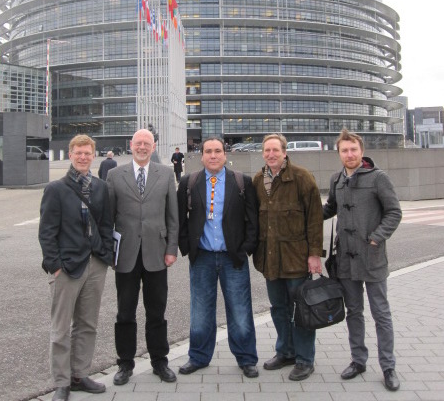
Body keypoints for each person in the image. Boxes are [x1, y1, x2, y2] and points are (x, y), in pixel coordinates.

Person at [323, 128, 402, 392]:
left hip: (372, 256)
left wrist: (376, 237)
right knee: (353, 312)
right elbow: (330, 208)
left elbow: (394, 212)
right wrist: (306, 213)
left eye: (353, 149)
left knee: (381, 313)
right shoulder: (336, 179)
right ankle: (358, 361)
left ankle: (388, 366)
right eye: (344, 150)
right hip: (345, 258)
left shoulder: (379, 178)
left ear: (362, 151)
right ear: (339, 154)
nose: (349, 154)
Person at [38, 134, 114, 401]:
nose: (83, 157)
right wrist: (55, 266)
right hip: (67, 267)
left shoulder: (100, 187)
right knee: (60, 329)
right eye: (78, 153)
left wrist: (106, 255)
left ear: (94, 155)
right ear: (70, 155)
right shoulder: (56, 189)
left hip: (95, 265)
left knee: (87, 324)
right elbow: (47, 232)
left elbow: (106, 224)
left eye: (87, 153)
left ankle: (79, 374)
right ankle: (61, 382)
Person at [177, 136, 259, 378]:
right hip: (202, 257)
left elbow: (253, 221)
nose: (213, 155)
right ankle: (199, 357)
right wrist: (187, 248)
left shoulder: (241, 182)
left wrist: (245, 249)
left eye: (217, 151)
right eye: (208, 151)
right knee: (200, 311)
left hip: (232, 257)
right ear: (201, 155)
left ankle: (246, 358)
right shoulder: (188, 182)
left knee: (240, 310)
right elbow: (181, 219)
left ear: (225, 154)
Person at [107, 128, 179, 384]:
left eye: (147, 143)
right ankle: (125, 364)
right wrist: (110, 253)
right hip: (125, 255)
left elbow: (173, 217)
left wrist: (171, 249)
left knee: (156, 312)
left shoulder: (166, 174)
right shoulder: (114, 175)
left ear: (153, 146)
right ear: (131, 145)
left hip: (157, 255)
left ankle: (160, 361)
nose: (142, 147)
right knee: (125, 313)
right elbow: (109, 218)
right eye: (138, 143)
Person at [253, 133, 323, 381]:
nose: (270, 154)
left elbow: (315, 219)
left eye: (275, 150)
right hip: (270, 260)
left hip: (296, 259)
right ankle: (286, 351)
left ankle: (305, 359)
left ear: (284, 152)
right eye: (266, 150)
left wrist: (315, 254)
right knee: (278, 309)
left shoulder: (302, 178)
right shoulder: (258, 181)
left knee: (301, 311)